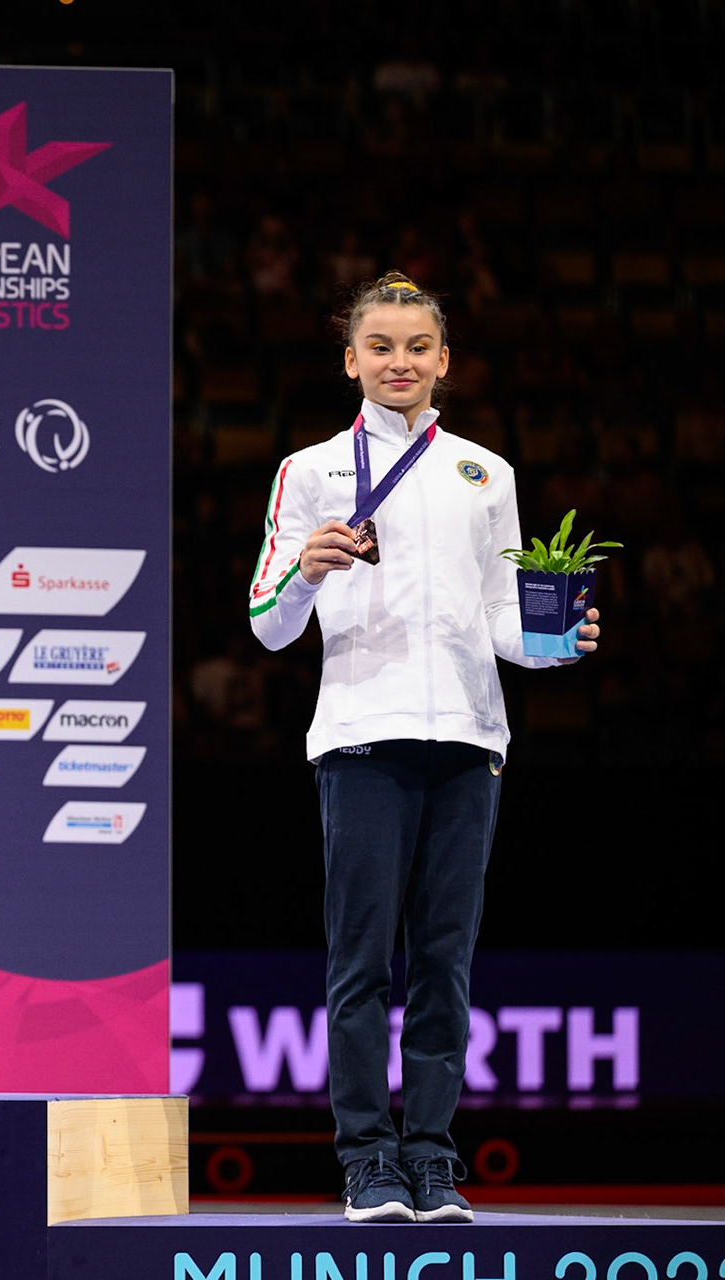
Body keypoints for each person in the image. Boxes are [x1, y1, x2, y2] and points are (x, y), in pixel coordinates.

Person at [247, 273, 604, 1223]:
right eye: (380, 346)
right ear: (351, 358)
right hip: (363, 738)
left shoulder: (488, 474)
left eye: (417, 347)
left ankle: (433, 1159)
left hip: (471, 742)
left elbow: (497, 618)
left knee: (446, 961)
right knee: (361, 960)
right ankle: (368, 1160)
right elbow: (267, 628)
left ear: (444, 360)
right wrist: (303, 574)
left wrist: (555, 641)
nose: (398, 362)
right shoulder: (310, 470)